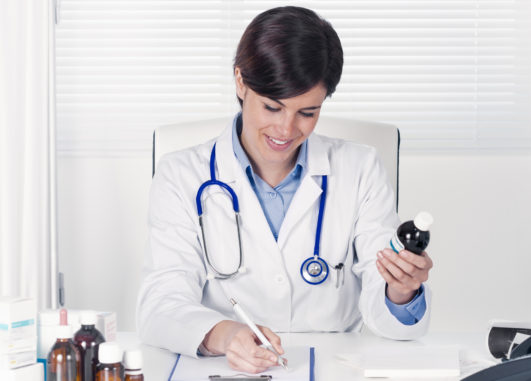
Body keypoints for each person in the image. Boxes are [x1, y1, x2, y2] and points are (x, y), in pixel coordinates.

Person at [136, 6, 433, 374]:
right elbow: (160, 304)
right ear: (240, 82)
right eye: (272, 107)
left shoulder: (360, 168)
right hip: (226, 368)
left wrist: (401, 288)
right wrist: (228, 334)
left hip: (335, 366)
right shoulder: (181, 175)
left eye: (307, 113)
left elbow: (382, 301)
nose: (286, 129)